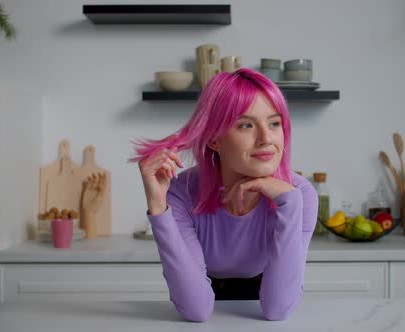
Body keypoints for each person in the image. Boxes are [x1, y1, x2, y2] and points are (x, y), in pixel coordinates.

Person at [130, 68, 318, 322]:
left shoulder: (300, 194)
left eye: (274, 123)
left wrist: (290, 203)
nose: (266, 139)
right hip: (202, 293)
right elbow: (196, 310)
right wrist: (157, 206)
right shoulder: (183, 192)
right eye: (246, 125)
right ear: (214, 139)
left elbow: (278, 310)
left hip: (263, 299)